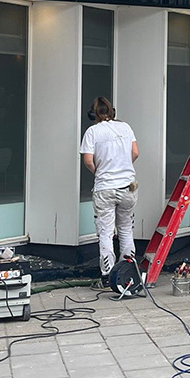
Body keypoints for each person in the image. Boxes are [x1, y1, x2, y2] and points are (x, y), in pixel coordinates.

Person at [79, 97, 139, 287]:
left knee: (105, 233)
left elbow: (88, 160)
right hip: (127, 187)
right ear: (112, 111)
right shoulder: (126, 128)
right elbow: (136, 153)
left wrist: (100, 172)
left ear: (93, 114)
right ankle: (127, 272)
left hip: (104, 188)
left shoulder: (92, 132)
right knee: (126, 229)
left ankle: (107, 276)